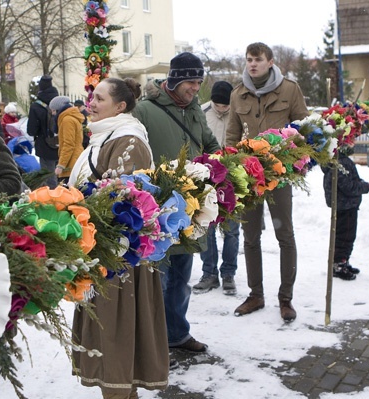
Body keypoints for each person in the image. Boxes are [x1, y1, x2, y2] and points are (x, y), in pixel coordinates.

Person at [70, 77, 166, 399]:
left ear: (120, 106)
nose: (91, 103)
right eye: (91, 97)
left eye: (99, 98)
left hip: (121, 260)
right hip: (103, 255)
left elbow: (119, 206)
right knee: (110, 337)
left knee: (117, 337)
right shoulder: (103, 138)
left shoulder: (128, 141)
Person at [133, 52, 220, 353]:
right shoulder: (144, 110)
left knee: (182, 277)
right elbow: (134, 151)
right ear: (175, 79)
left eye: (199, 82)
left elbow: (209, 142)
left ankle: (177, 334)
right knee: (157, 278)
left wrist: (217, 164)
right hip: (158, 207)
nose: (196, 88)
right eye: (191, 82)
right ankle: (153, 342)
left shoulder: (195, 109)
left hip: (193, 205)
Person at [225, 42, 309, 322]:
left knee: (285, 235)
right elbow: (231, 136)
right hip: (248, 178)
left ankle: (286, 298)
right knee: (250, 238)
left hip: (280, 176)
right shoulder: (238, 93)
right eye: (249, 59)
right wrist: (231, 169)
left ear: (270, 62)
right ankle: (255, 294)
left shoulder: (289, 90)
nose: (252, 64)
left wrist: (295, 162)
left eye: (258, 59)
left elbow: (303, 130)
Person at [194, 80, 240, 296]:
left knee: (231, 230)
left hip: (233, 178)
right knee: (207, 227)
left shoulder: (237, 114)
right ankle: (209, 272)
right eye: (218, 105)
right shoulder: (202, 112)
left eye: (225, 106)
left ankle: (229, 273)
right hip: (207, 177)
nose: (222, 109)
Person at [322, 148, 369, 281]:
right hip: (345, 205)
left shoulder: (339, 161)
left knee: (344, 235)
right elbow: (348, 186)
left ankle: (343, 260)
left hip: (345, 204)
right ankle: (339, 263)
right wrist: (364, 187)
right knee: (345, 236)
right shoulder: (341, 162)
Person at [27, 75, 60, 188]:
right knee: (61, 173)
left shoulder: (36, 106)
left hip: (44, 144)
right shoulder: (58, 103)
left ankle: (54, 198)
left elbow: (31, 130)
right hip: (61, 142)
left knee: (48, 175)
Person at [49, 96, 84, 185]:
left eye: (53, 110)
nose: (53, 114)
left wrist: (61, 165)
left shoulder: (67, 120)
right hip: (75, 159)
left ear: (58, 109)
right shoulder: (71, 117)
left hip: (70, 163)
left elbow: (68, 144)